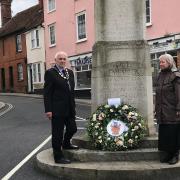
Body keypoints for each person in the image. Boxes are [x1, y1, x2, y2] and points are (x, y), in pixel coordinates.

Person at [44, 51, 78, 164]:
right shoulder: (50, 73)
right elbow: (47, 93)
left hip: (69, 108)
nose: (62, 61)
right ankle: (58, 157)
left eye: (64, 59)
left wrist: (73, 105)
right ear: (56, 60)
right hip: (57, 109)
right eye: (60, 59)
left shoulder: (70, 72)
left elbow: (71, 91)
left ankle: (66, 144)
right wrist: (48, 110)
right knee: (57, 134)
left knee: (73, 128)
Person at [155, 53, 180, 165]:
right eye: (160, 62)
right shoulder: (160, 76)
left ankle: (175, 154)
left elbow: (179, 94)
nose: (161, 64)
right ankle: (168, 154)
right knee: (165, 133)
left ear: (169, 63)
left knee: (173, 133)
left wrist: (179, 109)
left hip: (172, 110)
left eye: (163, 62)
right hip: (162, 111)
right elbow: (158, 94)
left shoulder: (175, 76)